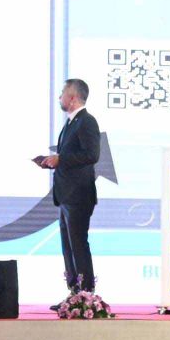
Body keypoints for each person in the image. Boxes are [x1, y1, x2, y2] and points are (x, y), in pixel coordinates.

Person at [34, 77, 103, 294]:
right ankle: (74, 295)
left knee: (78, 245)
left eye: (62, 93)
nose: (59, 97)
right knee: (68, 248)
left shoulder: (87, 121)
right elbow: (71, 155)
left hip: (79, 195)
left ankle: (86, 295)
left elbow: (92, 154)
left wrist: (61, 159)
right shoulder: (71, 122)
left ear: (72, 98)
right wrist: (52, 161)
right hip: (66, 195)